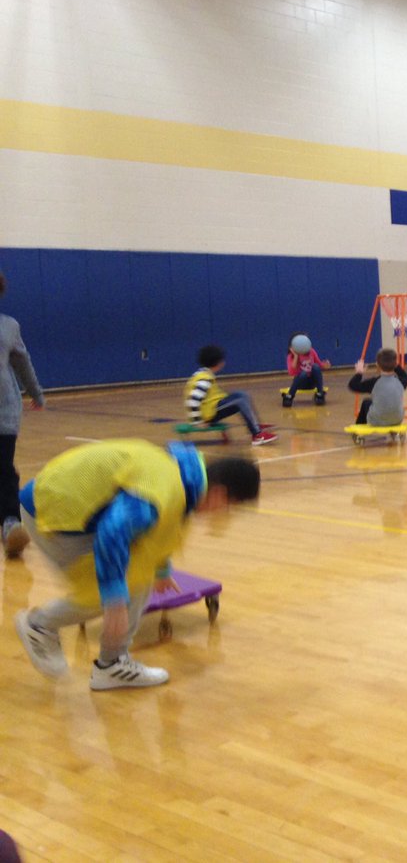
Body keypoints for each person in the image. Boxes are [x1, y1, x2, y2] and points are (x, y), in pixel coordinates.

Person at [13, 439, 260, 689]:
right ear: (220, 494)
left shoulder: (185, 478)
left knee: (138, 578)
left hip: (69, 503)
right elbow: (113, 533)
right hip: (53, 511)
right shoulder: (163, 490)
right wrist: (115, 601)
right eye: (230, 508)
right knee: (104, 593)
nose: (224, 515)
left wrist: (161, 569)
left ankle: (112, 664)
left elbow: (161, 527)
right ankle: (39, 626)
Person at [0, 271, 45, 559]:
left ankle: (10, 523)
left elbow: (22, 362)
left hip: (3, 410)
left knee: (3, 467)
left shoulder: (8, 326)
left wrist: (36, 393)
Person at [185, 345, 277, 445]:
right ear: (218, 363)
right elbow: (193, 400)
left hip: (211, 409)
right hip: (208, 415)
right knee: (240, 401)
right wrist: (197, 422)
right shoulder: (204, 379)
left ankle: (255, 425)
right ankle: (257, 435)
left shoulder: (203, 374)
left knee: (241, 394)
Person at [349, 347, 407, 425]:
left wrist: (359, 373)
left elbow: (353, 385)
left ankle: (358, 429)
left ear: (377, 364)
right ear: (395, 363)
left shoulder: (374, 382)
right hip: (397, 420)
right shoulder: (401, 381)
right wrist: (395, 365)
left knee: (366, 402)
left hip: (377, 421)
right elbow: (405, 376)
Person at [283, 332, 330, 407]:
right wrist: (296, 356)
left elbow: (319, 365)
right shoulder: (291, 356)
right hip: (300, 383)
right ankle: (290, 396)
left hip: (312, 382)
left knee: (315, 366)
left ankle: (320, 394)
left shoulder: (312, 352)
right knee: (303, 373)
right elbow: (292, 372)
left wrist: (325, 365)